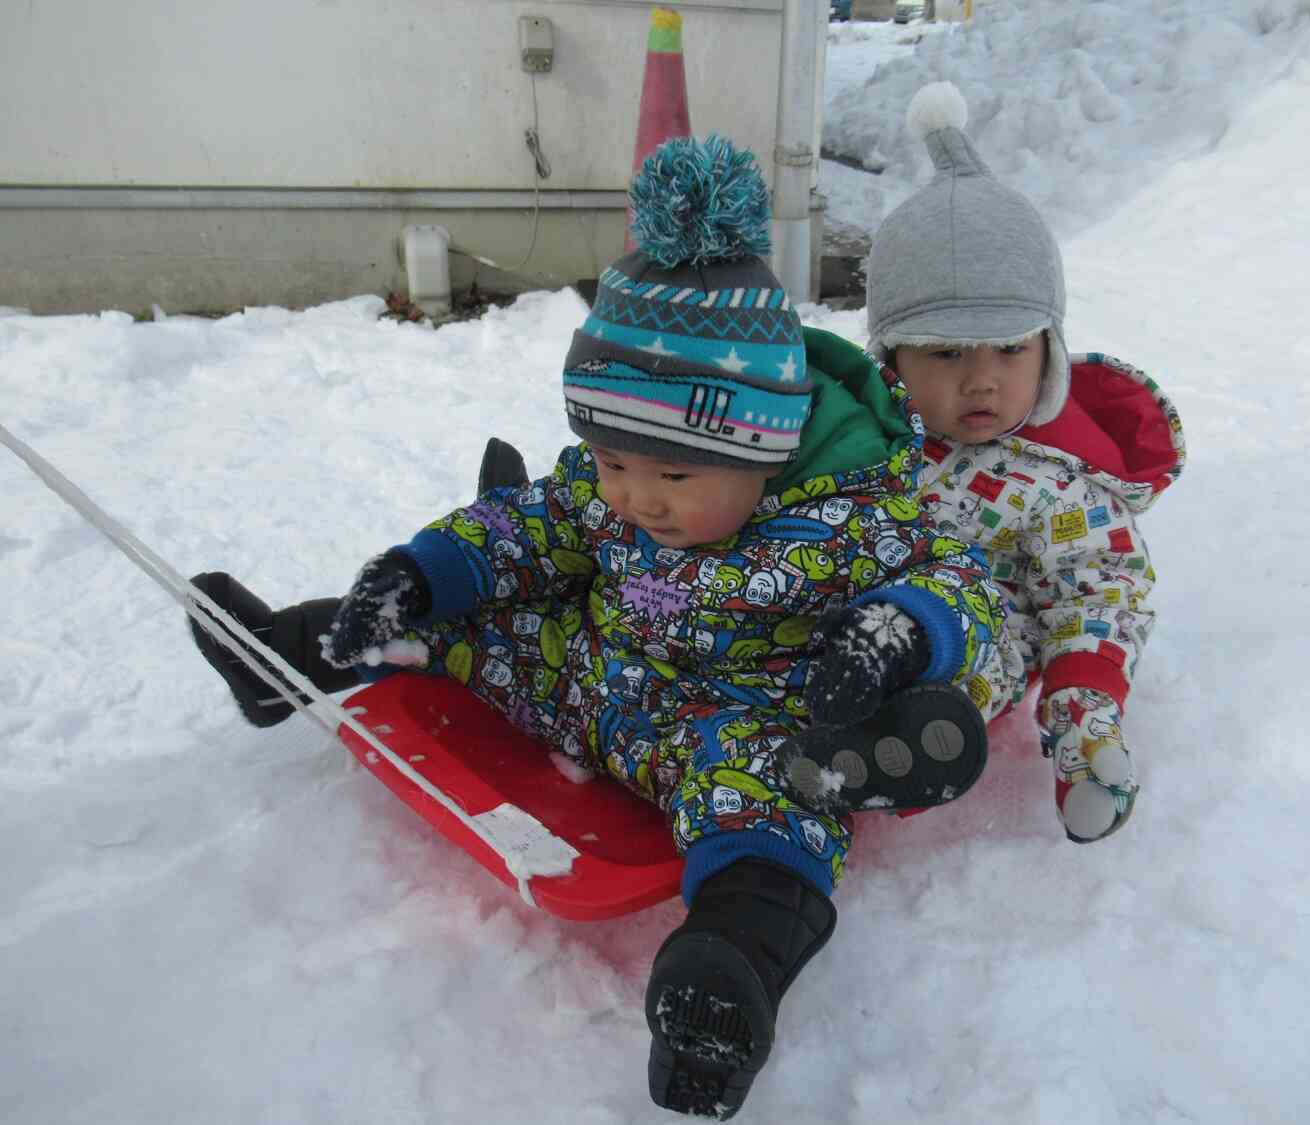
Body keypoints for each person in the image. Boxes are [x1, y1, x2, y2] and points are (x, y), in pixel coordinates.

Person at [187, 134, 1012, 1120]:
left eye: (671, 477)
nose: (635, 498)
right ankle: (281, 655)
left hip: (735, 719)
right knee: (456, 625)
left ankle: (725, 976)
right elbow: (526, 525)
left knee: (769, 813)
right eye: (613, 462)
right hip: (587, 671)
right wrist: (419, 577)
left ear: (768, 448)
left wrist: (895, 630)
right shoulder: (610, 486)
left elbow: (965, 586)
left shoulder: (855, 514)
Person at [864, 83, 1188, 844]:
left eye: (1010, 348)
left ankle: (905, 749)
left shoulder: (1055, 482)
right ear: (891, 358)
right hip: (844, 620)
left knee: (974, 664)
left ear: (1049, 351)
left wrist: (1083, 700)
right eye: (945, 353)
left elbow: (1099, 590)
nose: (981, 378)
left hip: (974, 644)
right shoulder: (860, 440)